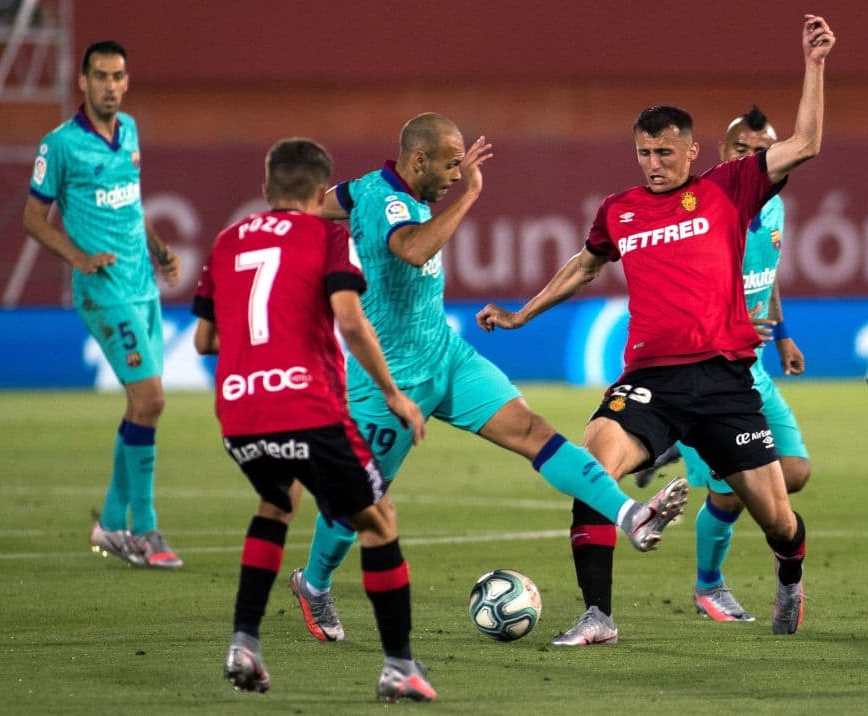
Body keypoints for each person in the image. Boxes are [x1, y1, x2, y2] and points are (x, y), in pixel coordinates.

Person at [477, 15, 836, 641]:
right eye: (644, 152)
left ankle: (788, 578)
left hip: (726, 381)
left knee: (780, 519)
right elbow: (586, 265)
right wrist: (522, 313)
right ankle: (597, 616)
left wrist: (814, 63)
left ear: (692, 151)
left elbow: (805, 143)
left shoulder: (730, 188)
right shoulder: (620, 209)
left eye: (665, 152)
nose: (654, 164)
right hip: (650, 379)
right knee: (591, 468)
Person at [288, 112, 688, 644]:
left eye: (462, 168)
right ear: (419, 160)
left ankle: (631, 514)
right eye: (451, 165)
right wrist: (470, 195)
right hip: (391, 377)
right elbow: (413, 248)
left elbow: (316, 204)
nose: (457, 175)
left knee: (533, 430)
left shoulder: (362, 189)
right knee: (361, 497)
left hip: (447, 357)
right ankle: (312, 583)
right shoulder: (389, 204)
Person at [192, 138, 436, 701]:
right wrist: (395, 395)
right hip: (306, 406)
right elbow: (349, 321)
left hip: (239, 410)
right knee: (378, 519)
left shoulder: (227, 241)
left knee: (277, 503)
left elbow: (205, 338)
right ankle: (399, 665)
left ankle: (245, 643)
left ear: (266, 190)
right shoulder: (329, 234)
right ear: (321, 191)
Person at [635, 105, 812, 622]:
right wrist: (729, 326)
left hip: (753, 367)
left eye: (764, 151)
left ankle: (668, 445)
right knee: (731, 493)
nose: (757, 160)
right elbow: (684, 290)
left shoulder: (773, 207)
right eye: (744, 152)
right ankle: (708, 585)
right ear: (721, 153)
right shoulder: (709, 207)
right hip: (708, 370)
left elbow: (768, 272)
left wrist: (781, 336)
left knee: (796, 473)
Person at [22, 40, 182, 569]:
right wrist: (80, 258)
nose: (110, 85)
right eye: (100, 76)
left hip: (142, 286)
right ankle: (147, 529)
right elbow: (32, 219)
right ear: (82, 83)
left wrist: (159, 250)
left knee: (143, 406)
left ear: (126, 81)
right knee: (153, 400)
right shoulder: (60, 146)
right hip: (104, 291)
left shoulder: (130, 132)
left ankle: (112, 526)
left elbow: (132, 205)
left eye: (118, 76)